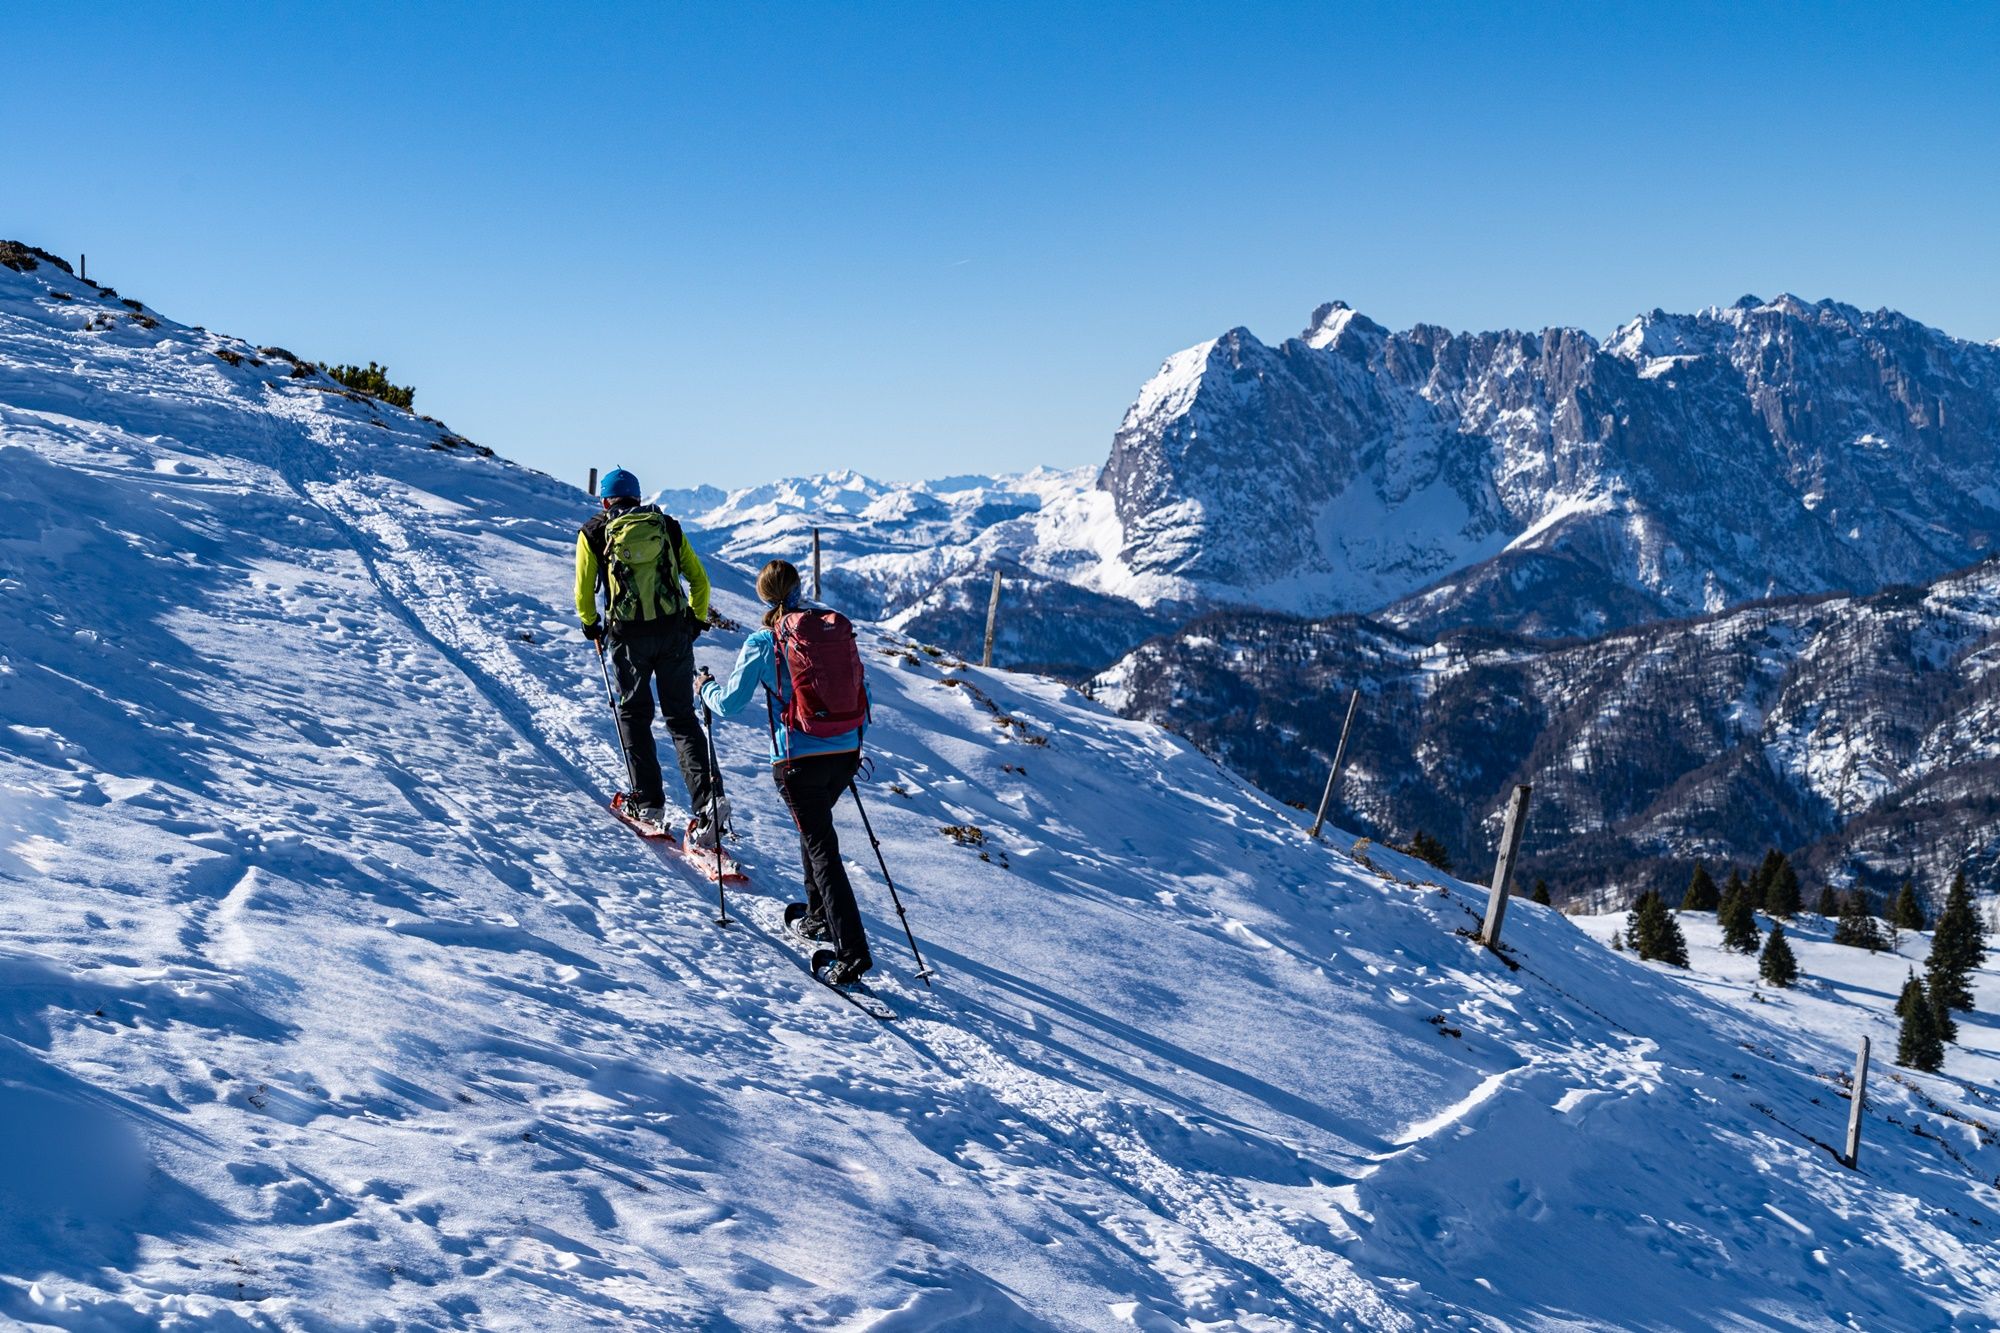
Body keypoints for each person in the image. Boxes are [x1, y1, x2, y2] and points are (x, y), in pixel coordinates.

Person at [698, 559, 874, 984]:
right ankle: (817, 915)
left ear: (762, 596)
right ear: (798, 589)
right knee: (814, 833)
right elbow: (862, 692)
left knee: (822, 848)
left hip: (798, 760)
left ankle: (852, 953)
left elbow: (729, 704)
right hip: (847, 752)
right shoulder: (830, 630)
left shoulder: (765, 641)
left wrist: (704, 687)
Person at [575, 466, 722, 844]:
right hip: (673, 632)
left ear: (605, 501)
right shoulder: (667, 526)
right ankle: (709, 804)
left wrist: (593, 626)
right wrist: (695, 621)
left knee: (634, 715)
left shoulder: (593, 532)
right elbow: (699, 580)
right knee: (682, 718)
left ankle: (648, 802)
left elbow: (583, 594)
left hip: (627, 638)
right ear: (637, 498)